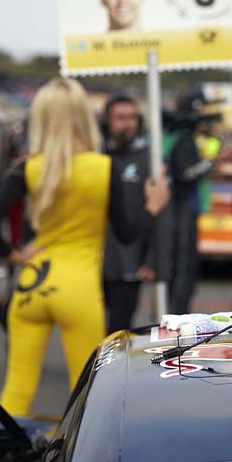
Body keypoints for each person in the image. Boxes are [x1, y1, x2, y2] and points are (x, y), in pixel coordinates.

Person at [0, 78, 170, 417]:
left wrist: (15, 255)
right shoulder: (104, 168)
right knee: (86, 398)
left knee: (15, 393)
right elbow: (127, 233)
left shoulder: (28, 167)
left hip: (32, 284)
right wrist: (152, 207)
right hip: (78, 290)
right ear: (84, 116)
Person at [101, 94, 166, 333]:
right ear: (107, 121)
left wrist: (151, 259)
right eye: (120, 117)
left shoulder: (149, 160)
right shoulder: (96, 157)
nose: (127, 123)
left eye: (131, 117)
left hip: (129, 260)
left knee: (119, 330)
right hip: (94, 259)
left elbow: (160, 212)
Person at [163, 91, 221, 315]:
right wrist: (208, 164)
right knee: (184, 266)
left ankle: (175, 311)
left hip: (177, 207)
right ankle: (177, 315)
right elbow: (185, 174)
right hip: (183, 207)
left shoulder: (172, 136)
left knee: (179, 265)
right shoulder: (184, 139)